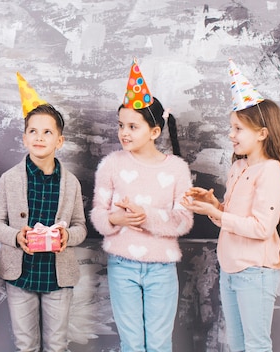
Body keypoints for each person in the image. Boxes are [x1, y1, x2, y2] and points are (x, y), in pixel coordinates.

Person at [181, 59, 280, 352]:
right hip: (230, 269)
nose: (231, 134)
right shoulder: (238, 168)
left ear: (262, 133)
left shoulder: (271, 171)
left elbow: (262, 228)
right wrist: (215, 205)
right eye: (231, 128)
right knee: (237, 344)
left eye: (238, 129)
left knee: (256, 345)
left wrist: (215, 214)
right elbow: (234, 218)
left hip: (255, 272)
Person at [90, 59, 194, 352]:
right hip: (122, 266)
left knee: (159, 344)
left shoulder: (176, 169)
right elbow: (98, 213)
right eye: (121, 125)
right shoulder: (110, 165)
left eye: (133, 126)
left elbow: (184, 220)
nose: (124, 132)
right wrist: (116, 220)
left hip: (161, 268)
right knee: (132, 344)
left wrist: (145, 216)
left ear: (155, 131)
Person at [0, 72, 87, 352]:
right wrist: (16, 237)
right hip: (21, 275)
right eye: (33, 131)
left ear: (60, 141)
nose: (40, 137)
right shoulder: (10, 179)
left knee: (56, 345)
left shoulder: (71, 183)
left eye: (48, 132)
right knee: (25, 344)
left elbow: (81, 225)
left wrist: (68, 235)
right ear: (24, 137)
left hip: (57, 276)